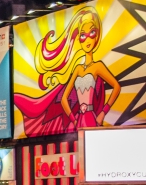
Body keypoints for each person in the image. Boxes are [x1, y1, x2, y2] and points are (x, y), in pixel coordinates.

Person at [14, 7, 121, 136]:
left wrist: (103, 112)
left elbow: (116, 87)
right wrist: (73, 119)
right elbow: (64, 98)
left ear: (97, 35)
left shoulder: (97, 66)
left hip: (91, 118)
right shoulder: (78, 69)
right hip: (79, 119)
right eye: (82, 35)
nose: (87, 39)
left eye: (91, 33)